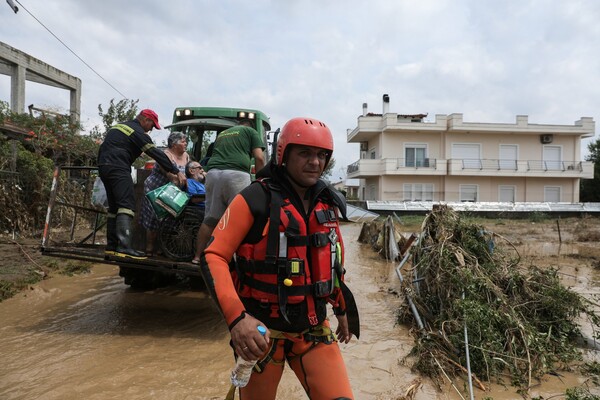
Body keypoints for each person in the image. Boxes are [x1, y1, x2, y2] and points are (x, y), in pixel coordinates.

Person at [202, 117, 360, 400]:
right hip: (260, 335)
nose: (315, 162)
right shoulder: (254, 198)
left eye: (322, 155)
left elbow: (333, 260)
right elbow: (214, 255)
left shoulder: (328, 201)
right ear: (283, 155)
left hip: (313, 330)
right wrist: (237, 321)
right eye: (305, 153)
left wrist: (341, 307)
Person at [97, 109, 186, 259]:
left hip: (104, 167)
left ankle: (111, 247)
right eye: (152, 126)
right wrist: (176, 170)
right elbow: (156, 154)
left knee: (114, 207)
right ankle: (124, 247)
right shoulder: (137, 132)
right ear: (146, 120)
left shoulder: (119, 126)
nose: (150, 130)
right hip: (118, 168)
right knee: (127, 206)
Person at [191, 118, 265, 264]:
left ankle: (198, 257)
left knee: (211, 218)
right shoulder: (251, 131)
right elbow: (259, 158)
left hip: (212, 175)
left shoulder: (223, 134)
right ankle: (236, 260)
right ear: (249, 126)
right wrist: (260, 180)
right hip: (236, 175)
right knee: (240, 218)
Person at [139, 131, 190, 255]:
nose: (185, 143)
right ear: (174, 144)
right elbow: (170, 175)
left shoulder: (186, 156)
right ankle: (149, 248)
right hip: (156, 190)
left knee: (170, 219)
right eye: (183, 142)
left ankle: (163, 248)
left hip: (173, 192)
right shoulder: (165, 155)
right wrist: (176, 177)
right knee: (155, 218)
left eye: (185, 141)